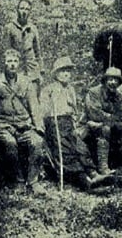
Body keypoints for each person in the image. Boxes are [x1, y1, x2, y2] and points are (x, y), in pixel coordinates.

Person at [40, 57, 111, 191]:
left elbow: (75, 110)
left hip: (69, 123)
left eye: (68, 71)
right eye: (63, 71)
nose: (66, 74)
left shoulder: (71, 89)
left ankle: (93, 174)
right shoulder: (48, 90)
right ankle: (85, 181)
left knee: (81, 147)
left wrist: (76, 122)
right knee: (66, 151)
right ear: (56, 73)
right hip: (54, 124)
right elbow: (43, 112)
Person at [0, 49, 45, 193]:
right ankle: (19, 181)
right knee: (10, 144)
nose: (12, 65)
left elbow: (34, 107)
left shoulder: (26, 82)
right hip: (3, 125)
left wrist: (39, 126)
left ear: (19, 64)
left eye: (15, 61)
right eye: (9, 61)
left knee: (37, 142)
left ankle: (33, 181)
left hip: (24, 124)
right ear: (4, 63)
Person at [81, 67, 122, 174]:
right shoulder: (94, 92)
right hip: (89, 125)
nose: (113, 83)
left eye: (116, 80)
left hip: (109, 124)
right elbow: (95, 114)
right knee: (104, 129)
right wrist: (114, 118)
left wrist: (120, 120)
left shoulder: (119, 96)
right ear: (105, 81)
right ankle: (103, 167)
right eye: (110, 79)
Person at [2, 0, 43, 96]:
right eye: (22, 8)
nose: (24, 12)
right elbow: (7, 52)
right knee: (18, 96)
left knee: (34, 96)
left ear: (29, 12)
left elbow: (38, 51)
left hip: (32, 67)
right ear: (17, 10)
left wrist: (41, 71)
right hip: (17, 67)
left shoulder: (33, 28)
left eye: (27, 9)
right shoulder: (9, 27)